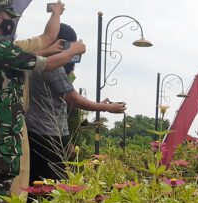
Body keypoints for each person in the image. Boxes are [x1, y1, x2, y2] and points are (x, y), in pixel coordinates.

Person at [0, 0, 85, 203]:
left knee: (15, 172)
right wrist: (71, 51)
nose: (11, 22)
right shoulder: (0, 47)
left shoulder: (7, 48)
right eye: (8, 17)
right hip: (2, 121)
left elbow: (44, 41)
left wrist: (55, 14)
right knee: (4, 172)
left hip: (13, 120)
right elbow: (46, 62)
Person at [26, 23, 125, 183]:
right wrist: (106, 107)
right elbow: (72, 98)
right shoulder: (51, 66)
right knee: (51, 184)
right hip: (49, 133)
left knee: (36, 182)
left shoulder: (36, 60)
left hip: (35, 130)